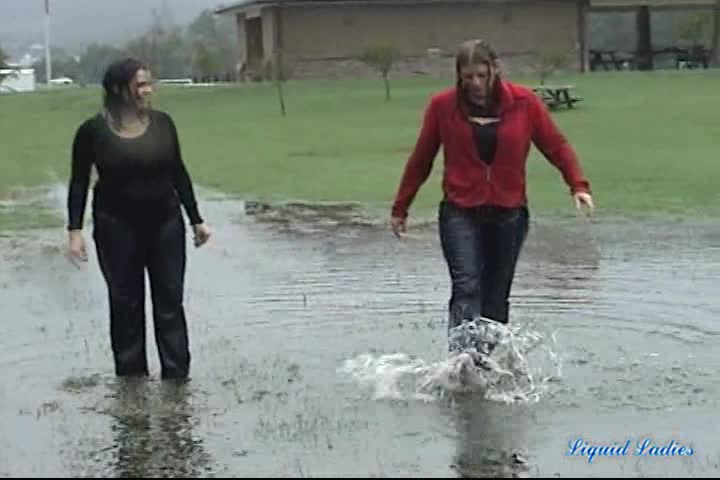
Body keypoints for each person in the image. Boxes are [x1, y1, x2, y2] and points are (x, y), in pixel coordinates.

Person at [390, 39, 594, 346]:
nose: (475, 83)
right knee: (467, 286)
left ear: (495, 70)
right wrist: (401, 207)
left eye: (481, 75)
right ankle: (461, 360)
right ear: (459, 76)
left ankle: (486, 360)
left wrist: (577, 185)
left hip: (509, 213)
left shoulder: (525, 103)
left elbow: (556, 146)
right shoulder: (442, 106)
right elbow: (421, 158)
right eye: (468, 77)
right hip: (460, 211)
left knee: (496, 296)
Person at [66, 58, 212, 380]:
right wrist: (74, 231)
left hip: (165, 225)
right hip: (116, 228)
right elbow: (78, 182)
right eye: (140, 85)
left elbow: (178, 171)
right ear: (119, 89)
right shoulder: (92, 131)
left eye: (149, 83)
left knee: (170, 302)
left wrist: (196, 219)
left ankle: (177, 378)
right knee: (125, 305)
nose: (148, 90)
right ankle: (131, 382)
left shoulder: (164, 124)